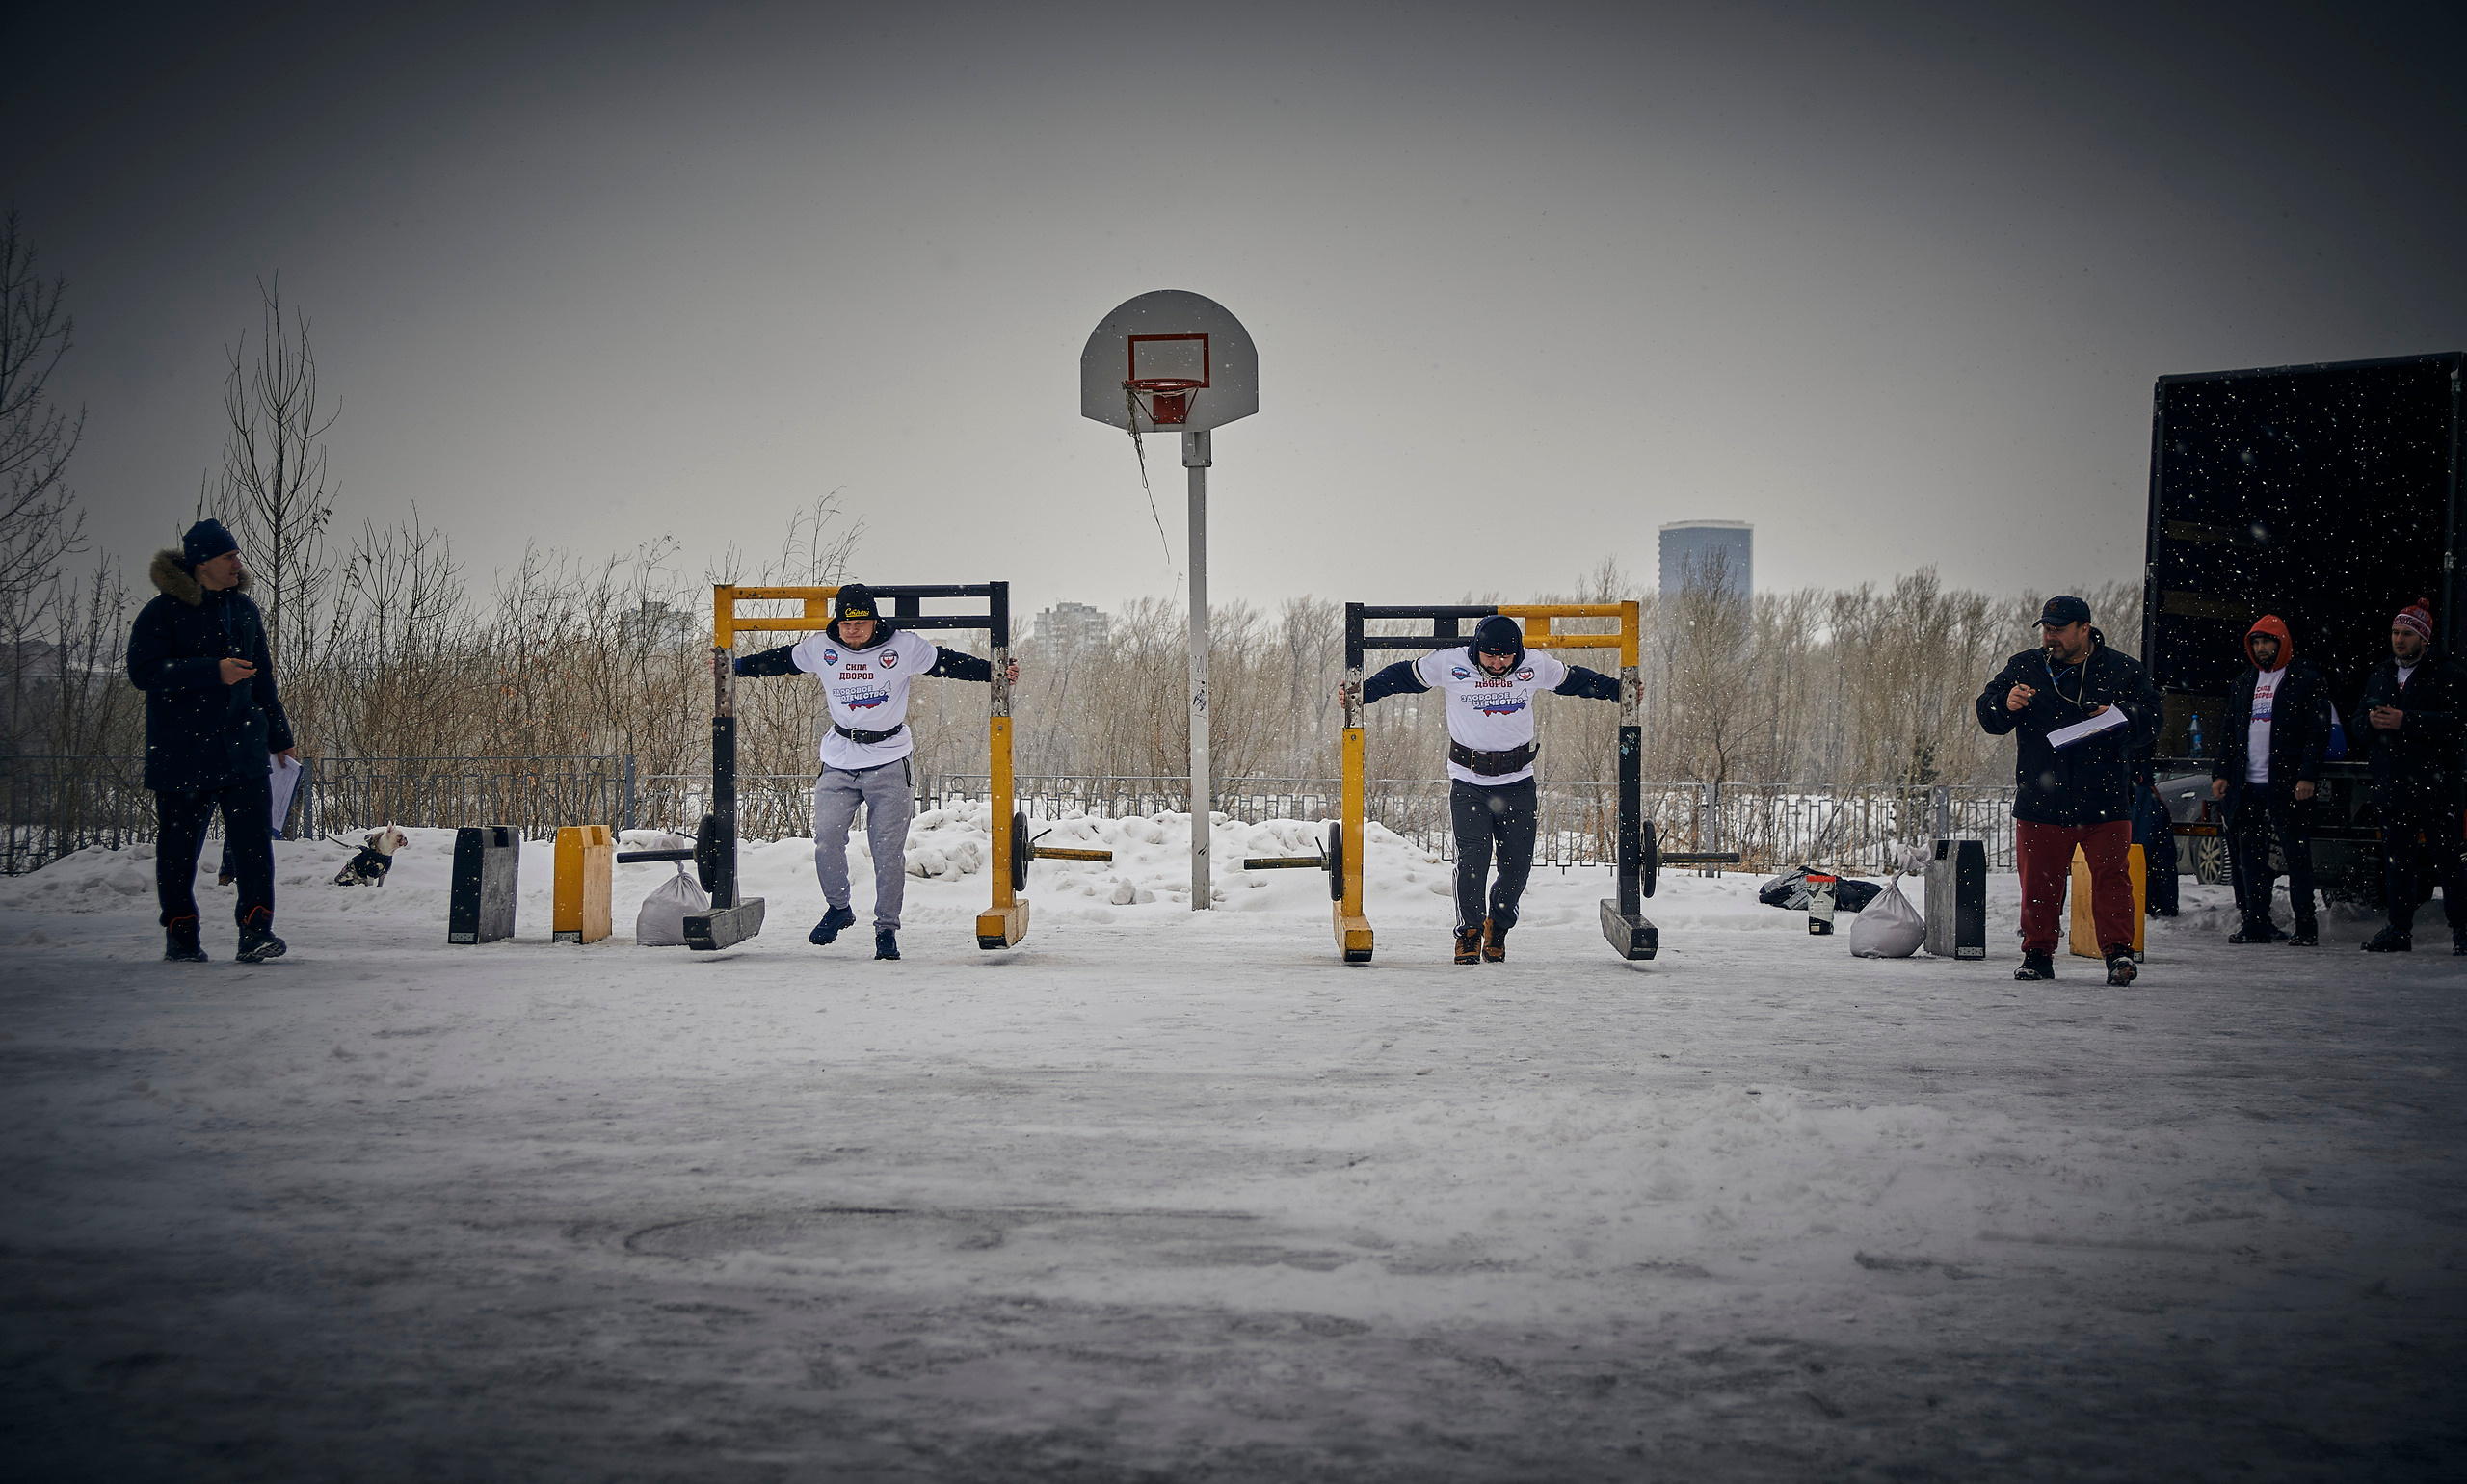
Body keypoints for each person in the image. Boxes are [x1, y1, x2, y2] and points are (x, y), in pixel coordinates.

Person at [729, 584, 1015, 961]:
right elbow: (782, 660)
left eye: (861, 622)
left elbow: (948, 662)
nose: (853, 630)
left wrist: (994, 672)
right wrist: (734, 666)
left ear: (874, 619)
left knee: (887, 852)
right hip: (839, 760)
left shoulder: (903, 646)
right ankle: (839, 908)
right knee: (827, 839)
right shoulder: (821, 647)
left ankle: (886, 929)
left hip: (889, 759)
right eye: (846, 623)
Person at [1349, 616, 1624, 964]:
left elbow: (1575, 680)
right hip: (1469, 783)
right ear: (1477, 650)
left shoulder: (1534, 665)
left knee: (1517, 866)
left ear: (1517, 654)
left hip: (1517, 782)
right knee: (1472, 860)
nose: (1498, 664)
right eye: (1490, 657)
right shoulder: (1452, 663)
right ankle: (1469, 933)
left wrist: (1617, 690)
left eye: (1506, 658)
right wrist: (1363, 693)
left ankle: (1499, 926)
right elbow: (1404, 676)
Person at [126, 519, 297, 964]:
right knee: (179, 851)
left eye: (237, 556)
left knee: (254, 847)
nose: (238, 564)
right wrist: (211, 670)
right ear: (203, 565)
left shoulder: (244, 610)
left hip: (241, 748)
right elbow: (144, 673)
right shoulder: (161, 613)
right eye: (229, 557)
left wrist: (280, 735)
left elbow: (263, 680)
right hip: (182, 754)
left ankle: (256, 931)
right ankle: (181, 933)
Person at [1975, 595, 2162, 986]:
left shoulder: (2122, 670)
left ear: (2085, 629)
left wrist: (2123, 716)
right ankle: (2038, 955)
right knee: (2039, 883)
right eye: (2045, 628)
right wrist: (2005, 704)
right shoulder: (2025, 666)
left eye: (2058, 630)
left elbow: (2153, 721)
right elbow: (1988, 713)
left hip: (2105, 799)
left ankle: (2119, 955)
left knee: (2112, 879)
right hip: (2041, 800)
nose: (2050, 637)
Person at [2209, 616, 2333, 945]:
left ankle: (2306, 926)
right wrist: (2221, 773)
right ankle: (2256, 921)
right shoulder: (2243, 683)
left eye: (2267, 641)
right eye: (2256, 642)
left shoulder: (2306, 680)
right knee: (2249, 856)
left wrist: (2307, 775)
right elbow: (2228, 732)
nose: (2261, 648)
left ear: (2282, 643)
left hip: (2288, 784)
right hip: (2247, 783)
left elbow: (2317, 732)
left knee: (2296, 856)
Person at [2357, 598, 2465, 953]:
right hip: (2393, 786)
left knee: (2449, 862)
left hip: (2436, 787)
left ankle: (2462, 930)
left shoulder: (2449, 674)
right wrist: (2369, 723)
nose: (2398, 640)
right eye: (2394, 632)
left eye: (2406, 633)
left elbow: (2458, 724)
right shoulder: (2380, 674)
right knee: (2397, 863)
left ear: (2424, 638)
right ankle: (2397, 929)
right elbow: (2356, 725)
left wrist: (2408, 720)